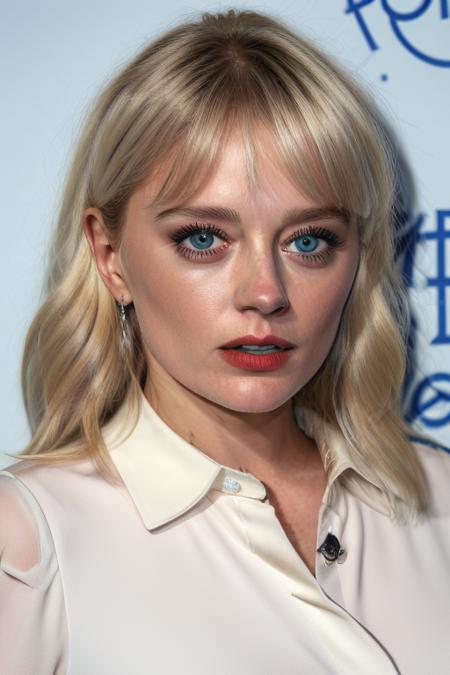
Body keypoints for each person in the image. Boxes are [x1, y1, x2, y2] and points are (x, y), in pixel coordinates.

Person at [1, 8, 449, 674]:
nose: (264, 292)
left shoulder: (438, 498)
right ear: (111, 254)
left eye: (308, 240)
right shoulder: (32, 536)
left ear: (358, 255)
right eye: (203, 238)